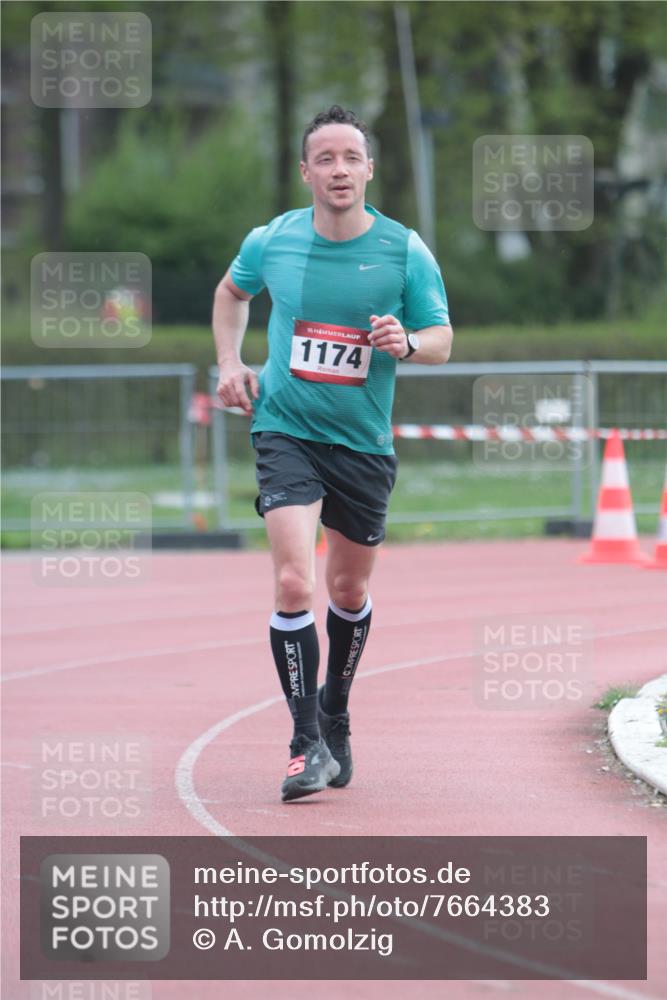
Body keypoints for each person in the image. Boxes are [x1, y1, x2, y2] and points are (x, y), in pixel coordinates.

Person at [213, 105, 452, 802]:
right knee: (294, 583)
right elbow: (231, 293)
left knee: (346, 591)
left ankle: (335, 712)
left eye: (351, 156)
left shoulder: (403, 250)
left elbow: (440, 340)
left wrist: (404, 344)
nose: (339, 169)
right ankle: (303, 744)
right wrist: (230, 361)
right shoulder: (272, 241)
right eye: (325, 158)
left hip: (361, 444)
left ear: (368, 169)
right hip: (284, 428)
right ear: (306, 171)